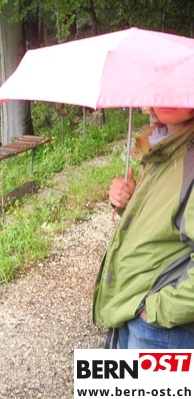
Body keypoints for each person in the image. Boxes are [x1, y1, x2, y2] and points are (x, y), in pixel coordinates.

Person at [93, 107, 194, 348]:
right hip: (132, 305)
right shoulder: (160, 144)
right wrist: (127, 200)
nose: (167, 97)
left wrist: (157, 310)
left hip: (162, 328)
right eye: (161, 87)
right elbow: (164, 220)